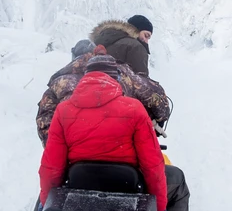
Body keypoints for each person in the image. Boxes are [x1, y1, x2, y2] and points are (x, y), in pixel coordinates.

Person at [38, 56, 200, 211]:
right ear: (115, 78)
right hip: (127, 189)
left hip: (80, 187)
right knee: (176, 179)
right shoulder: (134, 108)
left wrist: (45, 203)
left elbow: (51, 166)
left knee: (48, 188)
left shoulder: (63, 110)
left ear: (84, 78)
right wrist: (159, 210)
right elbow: (152, 165)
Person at [36, 53, 169, 146]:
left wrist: (59, 150)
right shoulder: (130, 95)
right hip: (123, 160)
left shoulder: (59, 84)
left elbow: (45, 121)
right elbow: (154, 96)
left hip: (74, 160)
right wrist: (160, 118)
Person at [90, 15, 154, 76]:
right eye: (146, 35)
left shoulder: (100, 43)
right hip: (115, 86)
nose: (146, 41)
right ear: (136, 30)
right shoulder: (136, 47)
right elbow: (142, 81)